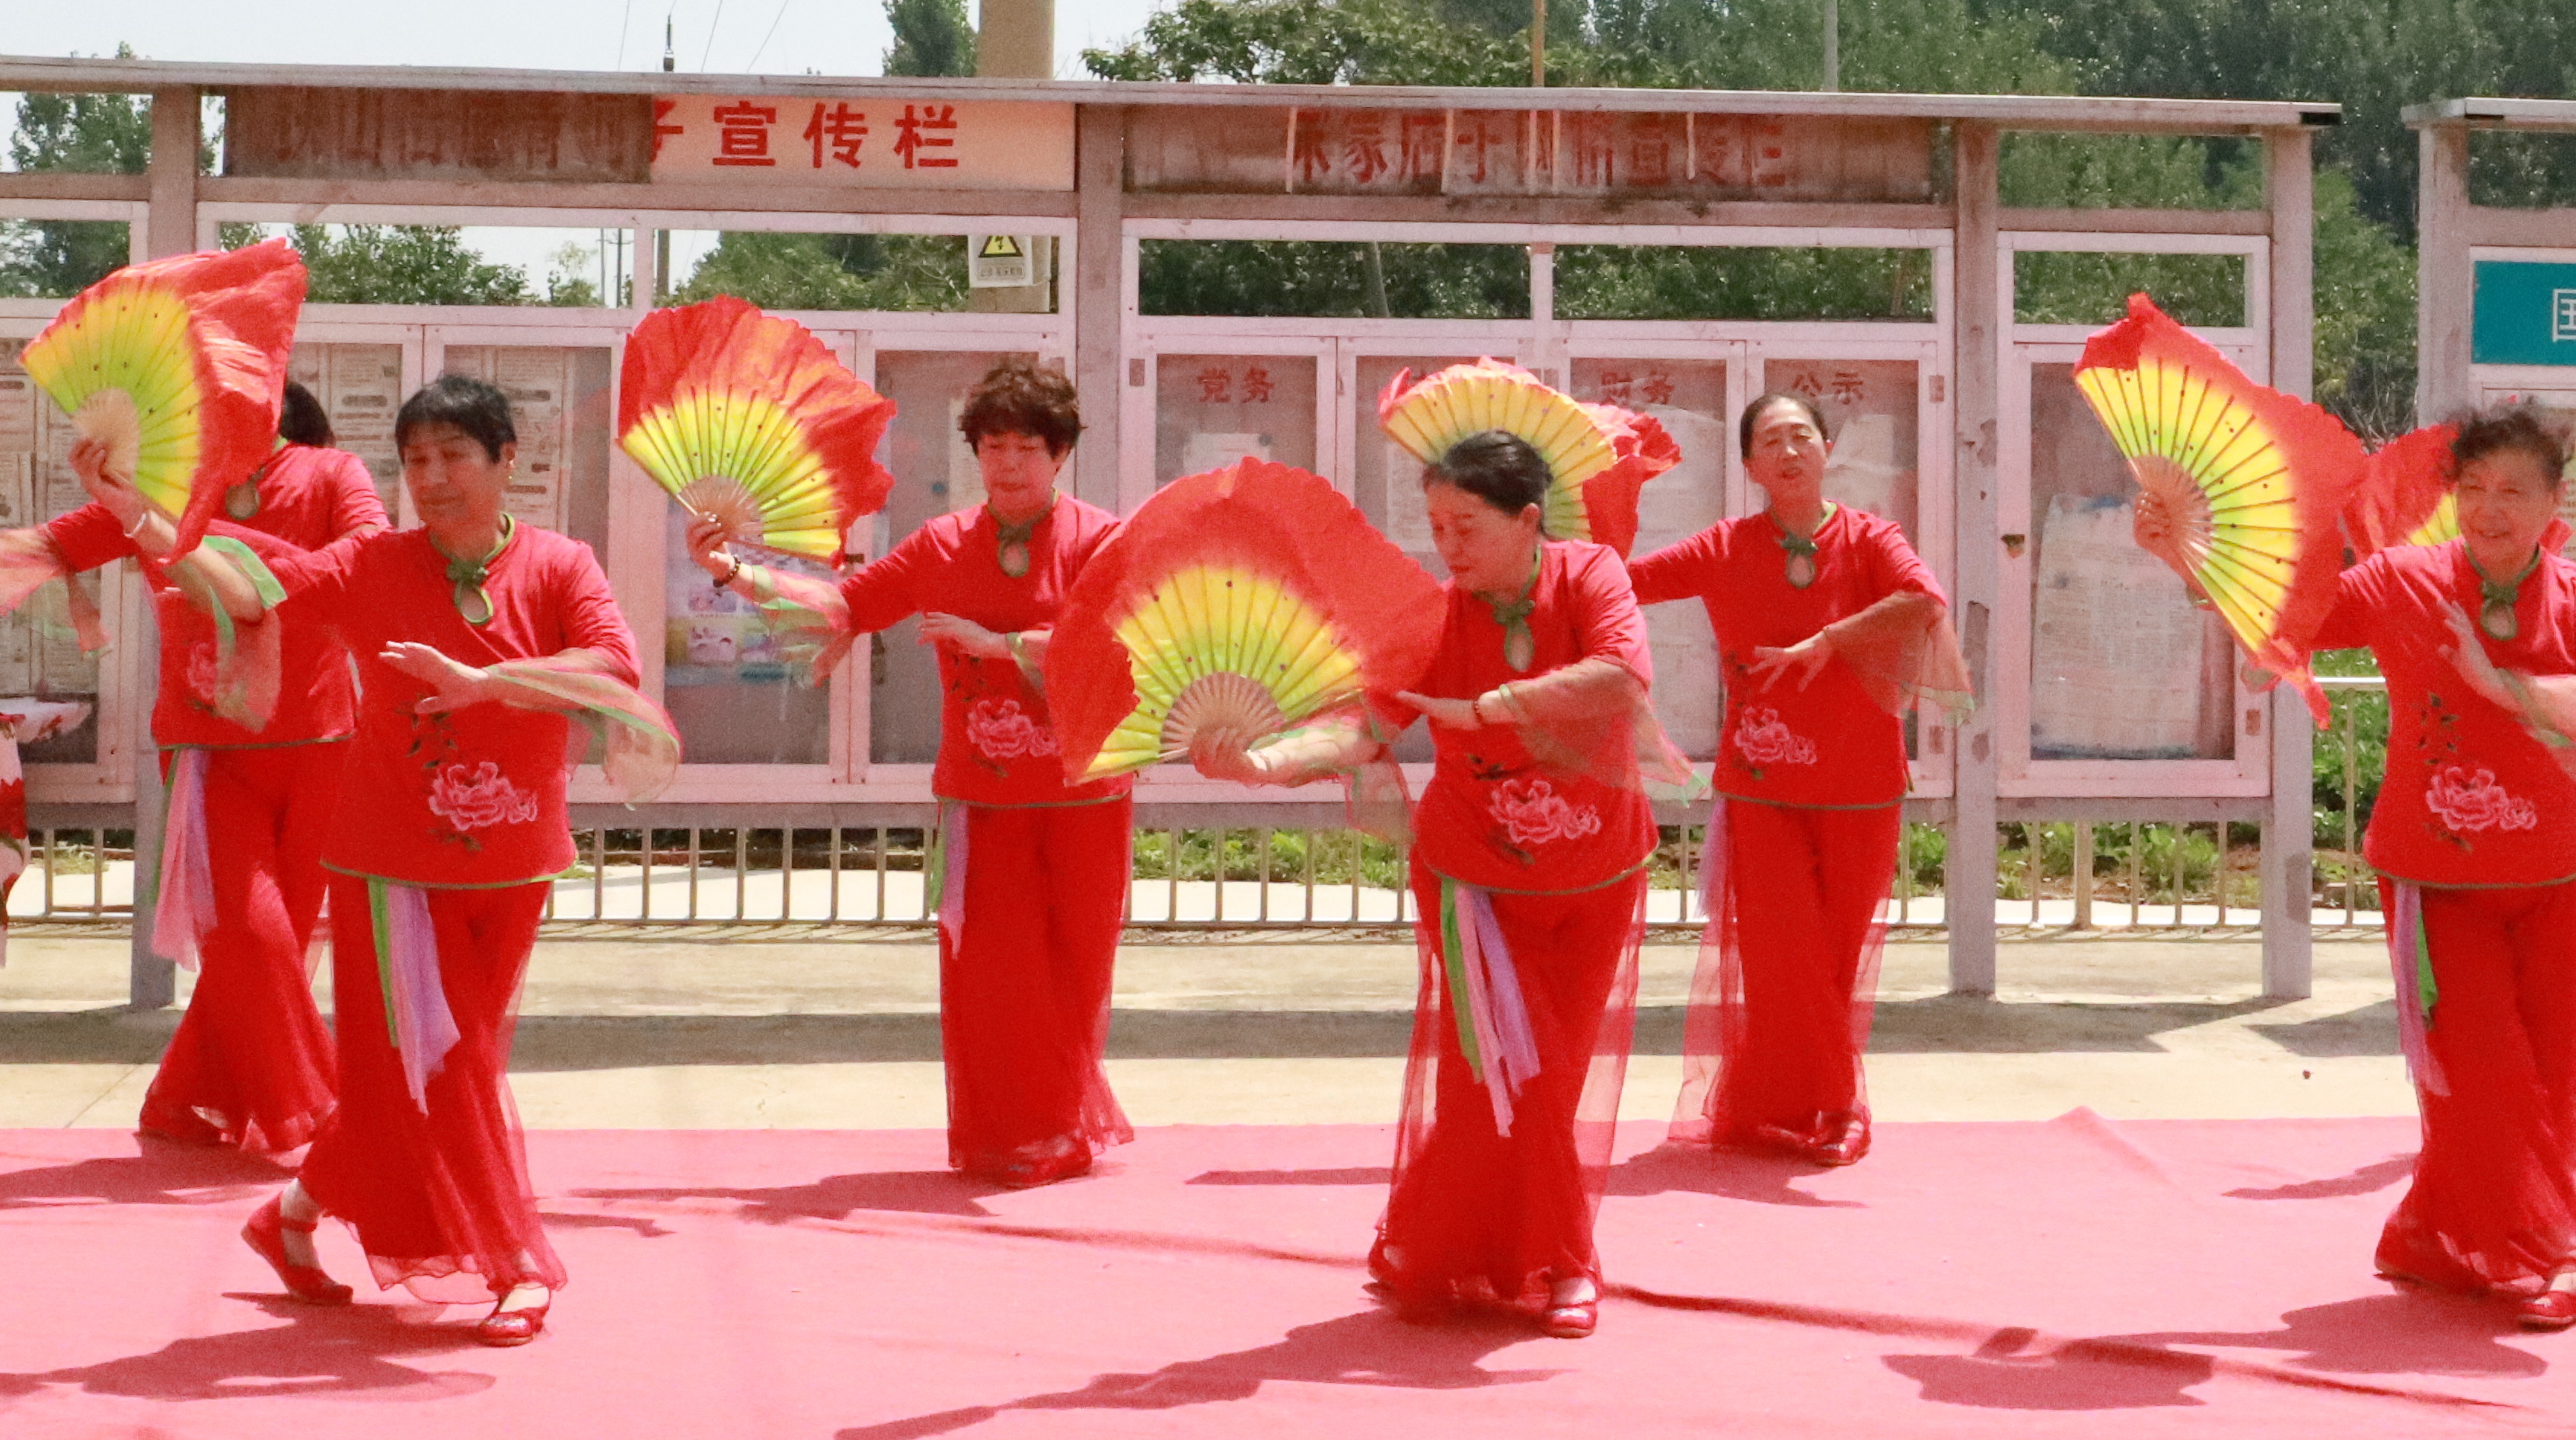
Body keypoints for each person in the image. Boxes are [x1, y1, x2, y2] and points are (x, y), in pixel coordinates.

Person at [201, 374, 672, 1345]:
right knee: (450, 1068)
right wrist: (152, 520)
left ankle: (288, 1214)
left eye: (456, 455)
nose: (434, 477)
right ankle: (516, 1263)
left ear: (509, 462)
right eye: (417, 459)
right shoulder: (374, 561)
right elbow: (258, 587)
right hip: (389, 869)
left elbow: (613, 670)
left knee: (428, 1070)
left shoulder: (560, 563)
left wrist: (487, 679)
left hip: (516, 859)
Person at [1192, 429, 1659, 1338]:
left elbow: (1621, 675)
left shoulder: (1592, 574)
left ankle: (1447, 1238)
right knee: (1497, 1071)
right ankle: (1562, 1263)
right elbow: (1363, 725)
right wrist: (1259, 761)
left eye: (1467, 524)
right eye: (1437, 525)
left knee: (1549, 1077)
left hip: (1596, 868)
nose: (1448, 546)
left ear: (1529, 520)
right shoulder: (1432, 613)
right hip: (1474, 883)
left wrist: (1489, 707)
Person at [0, 381, 384, 1157]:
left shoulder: (331, 473)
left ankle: (181, 1099)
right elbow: (41, 547)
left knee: (273, 950)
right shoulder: (158, 498)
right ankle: (323, 1111)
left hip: (326, 740)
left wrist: (247, 571)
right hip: (211, 750)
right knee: (250, 938)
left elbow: (366, 555)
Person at [2249, 407, 2576, 1328]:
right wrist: (2183, 557)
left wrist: (2497, 681)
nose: (2488, 508)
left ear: (2556, 500)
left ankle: (2436, 1230)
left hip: (2556, 875)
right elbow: (2283, 623)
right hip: (2439, 883)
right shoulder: (2403, 581)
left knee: (2547, 1080)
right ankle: (2560, 1251)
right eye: (2472, 489)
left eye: (2513, 490)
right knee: (2482, 1071)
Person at [694, 362, 1132, 1188]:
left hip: (1087, 792)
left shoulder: (1101, 540)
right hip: (983, 794)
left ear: (1061, 453)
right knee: (989, 969)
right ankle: (1005, 1133)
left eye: (1027, 447)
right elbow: (843, 605)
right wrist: (733, 569)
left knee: (1077, 962)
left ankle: (1060, 1122)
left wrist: (999, 645)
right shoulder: (941, 543)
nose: (1007, 463)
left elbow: (1123, 645)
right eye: (993, 445)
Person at [1624, 392, 1961, 1165]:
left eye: (1801, 434)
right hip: (1764, 785)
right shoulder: (1724, 544)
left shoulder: (1872, 538)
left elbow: (1924, 599)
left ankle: (1793, 1105)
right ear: (1749, 466)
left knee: (1835, 958)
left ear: (1826, 449)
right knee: (1783, 956)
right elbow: (1628, 582)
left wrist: (1831, 638)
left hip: (1861, 783)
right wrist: (1558, 544)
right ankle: (1826, 1107)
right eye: (1771, 440)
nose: (1789, 449)